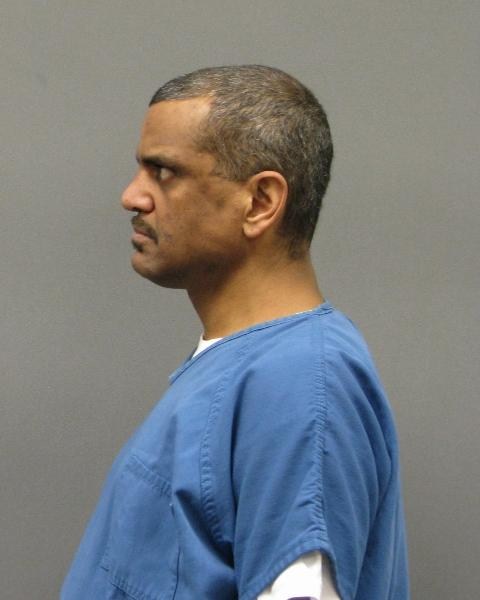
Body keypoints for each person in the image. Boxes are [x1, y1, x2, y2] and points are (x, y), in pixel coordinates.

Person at [61, 65, 409, 600]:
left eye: (163, 172)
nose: (132, 196)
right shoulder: (253, 368)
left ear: (261, 202)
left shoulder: (297, 380)